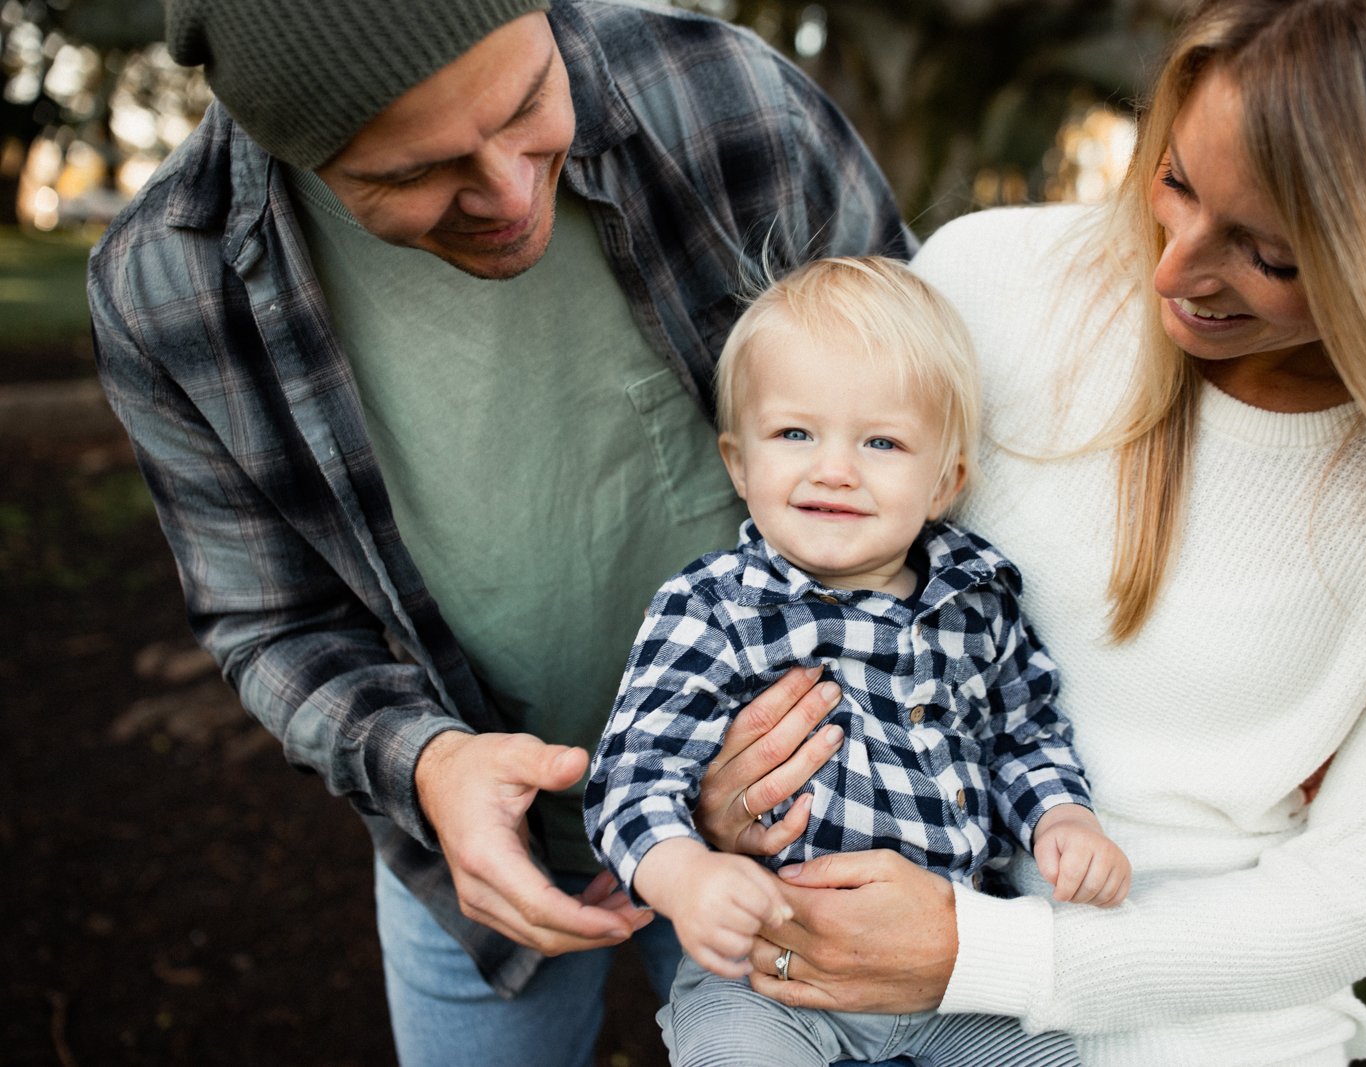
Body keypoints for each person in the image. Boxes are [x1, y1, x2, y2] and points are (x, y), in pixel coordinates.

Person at [683, 0, 1366, 1063]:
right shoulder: (987, 284)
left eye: (1270, 256)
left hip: (1212, 1029)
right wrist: (728, 785)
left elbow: (1358, 891)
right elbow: (799, 596)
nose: (1171, 271)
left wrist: (981, 953)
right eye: (1175, 179)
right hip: (857, 1007)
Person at [86, 0, 912, 1063]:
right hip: (476, 868)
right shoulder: (169, 282)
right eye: (412, 174)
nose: (513, 192)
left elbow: (927, 423)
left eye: (527, 103)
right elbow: (271, 622)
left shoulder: (722, 93)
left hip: (803, 810)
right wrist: (428, 766)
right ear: (288, 148)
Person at [584, 256, 1127, 1066]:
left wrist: (1063, 815)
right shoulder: (714, 608)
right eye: (795, 433)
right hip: (772, 975)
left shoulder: (977, 602)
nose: (834, 467)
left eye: (881, 441)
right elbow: (633, 775)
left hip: (950, 974)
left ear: (946, 481)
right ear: (739, 462)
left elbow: (1024, 733)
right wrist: (684, 875)